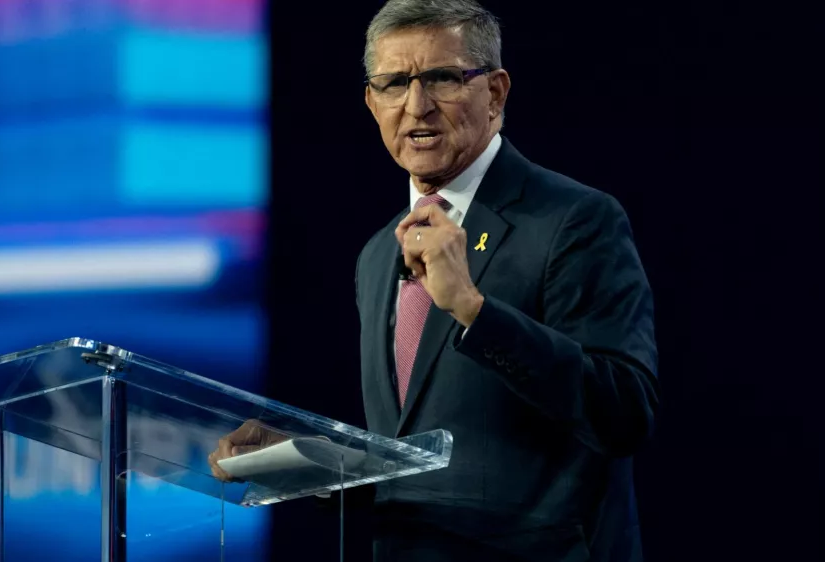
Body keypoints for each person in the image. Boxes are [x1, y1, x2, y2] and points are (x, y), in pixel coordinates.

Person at [210, 1, 659, 560]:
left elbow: (625, 413)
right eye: (395, 83)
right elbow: (417, 463)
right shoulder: (377, 256)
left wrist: (474, 309)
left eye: (442, 78)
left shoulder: (574, 220)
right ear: (373, 103)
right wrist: (310, 463)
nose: (416, 106)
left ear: (495, 93)